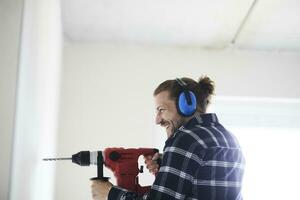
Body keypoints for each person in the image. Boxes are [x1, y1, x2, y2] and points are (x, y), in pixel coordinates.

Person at [91, 76, 245, 200]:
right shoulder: (229, 139)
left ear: (187, 105)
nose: (157, 120)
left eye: (161, 110)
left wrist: (109, 193)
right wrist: (169, 164)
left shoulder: (185, 138)